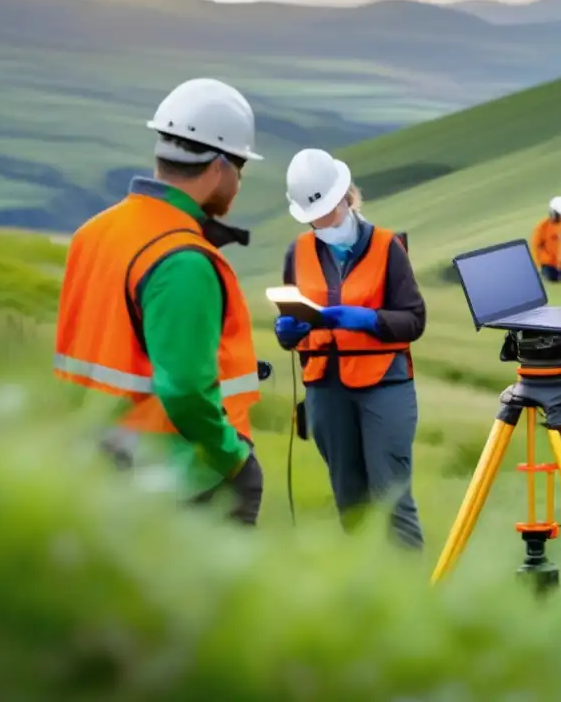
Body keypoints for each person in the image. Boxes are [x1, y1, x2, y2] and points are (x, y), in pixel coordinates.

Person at [53, 77, 265, 525]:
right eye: (241, 170)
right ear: (220, 168)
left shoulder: (93, 233)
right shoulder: (182, 260)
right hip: (180, 479)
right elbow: (184, 389)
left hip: (93, 466)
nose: (239, 183)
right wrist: (232, 460)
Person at [275, 147, 426, 549]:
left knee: (392, 498)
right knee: (349, 500)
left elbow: (414, 320)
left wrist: (369, 321)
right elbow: (291, 319)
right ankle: (366, 594)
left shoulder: (387, 246)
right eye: (314, 218)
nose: (323, 223)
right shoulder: (298, 252)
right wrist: (288, 332)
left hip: (384, 385)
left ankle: (410, 600)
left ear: (347, 196)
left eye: (328, 211)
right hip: (324, 388)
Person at [531, 195, 561, 289]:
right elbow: (536, 246)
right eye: (559, 215)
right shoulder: (542, 227)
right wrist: (542, 262)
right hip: (550, 266)